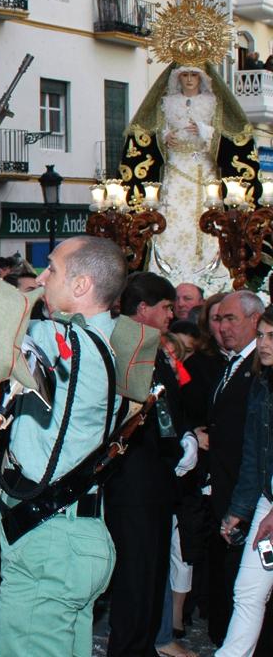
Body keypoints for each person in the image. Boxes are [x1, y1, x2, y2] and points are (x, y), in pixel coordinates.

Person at [0, 236, 128, 657]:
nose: (40, 277)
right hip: (80, 532)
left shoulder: (61, 343)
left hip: (48, 540)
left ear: (82, 285)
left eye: (51, 269)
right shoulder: (116, 342)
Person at [105, 273, 196, 657]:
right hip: (135, 484)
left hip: (156, 483)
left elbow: (169, 408)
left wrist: (185, 436)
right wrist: (177, 446)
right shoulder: (126, 346)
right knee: (135, 583)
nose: (170, 315)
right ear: (142, 309)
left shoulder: (154, 346)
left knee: (151, 579)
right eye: (164, 308)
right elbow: (137, 414)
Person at [120, 65, 260, 292]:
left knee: (207, 220)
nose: (189, 80)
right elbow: (150, 134)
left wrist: (205, 132)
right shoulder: (166, 103)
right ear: (177, 79)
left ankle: (211, 277)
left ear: (202, 78)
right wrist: (164, 138)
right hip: (175, 173)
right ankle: (167, 272)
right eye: (184, 75)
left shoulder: (213, 103)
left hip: (203, 172)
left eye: (194, 75)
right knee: (170, 219)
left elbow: (228, 140)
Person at [208, 290, 264, 645]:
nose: (223, 327)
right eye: (219, 319)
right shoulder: (231, 364)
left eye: (231, 319)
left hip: (250, 493)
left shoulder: (260, 367)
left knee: (249, 589)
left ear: (255, 320)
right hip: (227, 488)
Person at [216, 305, 273, 656]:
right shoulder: (262, 385)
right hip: (267, 499)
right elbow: (253, 455)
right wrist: (238, 510)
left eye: (272, 337)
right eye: (263, 335)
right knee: (248, 590)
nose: (264, 343)